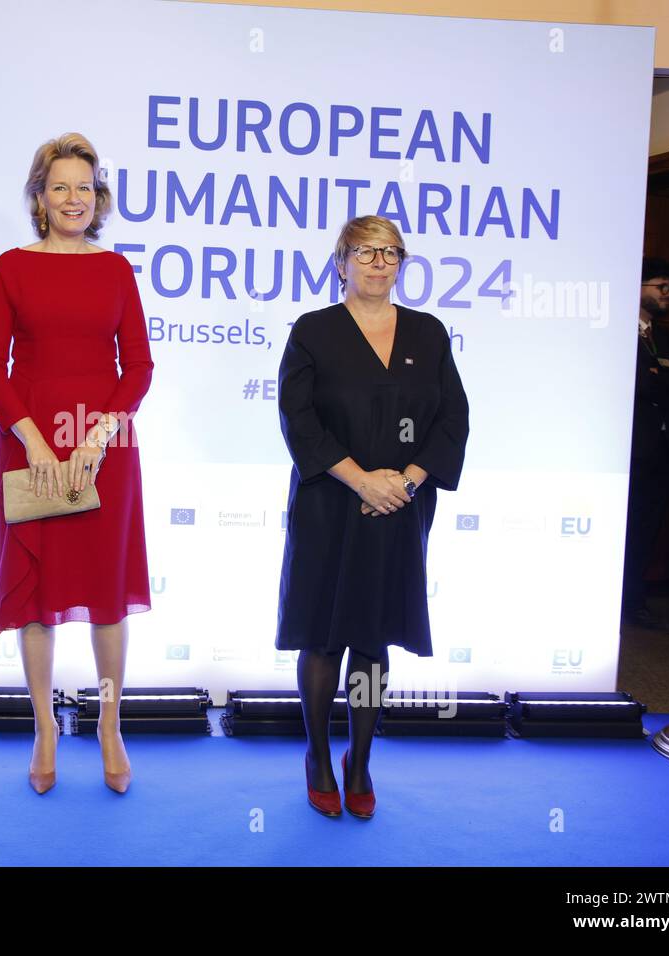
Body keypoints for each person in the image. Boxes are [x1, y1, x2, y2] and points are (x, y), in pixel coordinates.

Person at [0, 133, 153, 795]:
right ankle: (44, 725)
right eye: (60, 187)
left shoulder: (114, 271)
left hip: (106, 447)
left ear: (97, 198)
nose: (73, 198)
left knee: (107, 595)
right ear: (39, 198)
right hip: (28, 442)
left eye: (85, 187)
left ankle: (109, 724)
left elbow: (138, 366)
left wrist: (98, 436)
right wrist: (36, 442)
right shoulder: (11, 268)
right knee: (36, 599)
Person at [276, 215, 469, 819]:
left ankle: (358, 761)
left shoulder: (429, 333)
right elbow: (297, 418)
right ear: (341, 262)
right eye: (365, 251)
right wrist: (361, 479)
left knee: (371, 635)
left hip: (399, 510)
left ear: (402, 263)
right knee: (322, 633)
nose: (378, 262)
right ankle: (316, 756)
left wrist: (404, 484)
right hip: (329, 503)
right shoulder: (313, 331)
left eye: (390, 252)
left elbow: (452, 421)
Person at [623, 257, 669, 630]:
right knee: (626, 527)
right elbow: (641, 384)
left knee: (647, 529)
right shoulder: (618, 331)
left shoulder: (665, 337)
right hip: (630, 448)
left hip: (662, 448)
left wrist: (659, 375)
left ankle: (634, 601)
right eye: (660, 286)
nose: (668, 294)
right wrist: (658, 377)